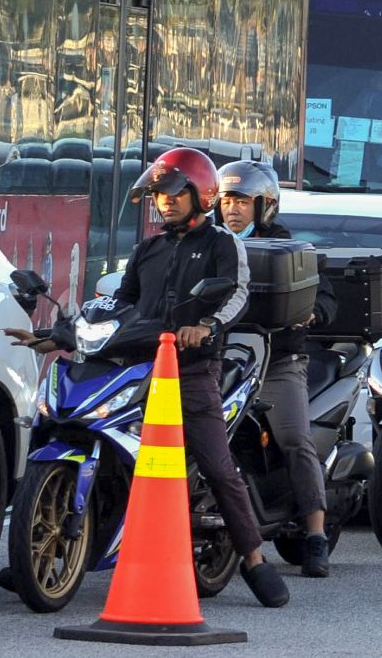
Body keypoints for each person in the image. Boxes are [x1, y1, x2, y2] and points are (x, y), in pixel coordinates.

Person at [121, 149, 290, 606]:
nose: (165, 201)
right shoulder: (148, 249)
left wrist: (207, 326)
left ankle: (254, 558)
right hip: (138, 368)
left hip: (193, 370)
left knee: (218, 466)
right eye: (158, 194)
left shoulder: (222, 243)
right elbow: (120, 304)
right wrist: (64, 331)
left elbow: (237, 295)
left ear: (201, 195)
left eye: (175, 193)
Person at [216, 160, 338, 578]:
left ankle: (316, 533)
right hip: (217, 361)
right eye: (226, 200)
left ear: (264, 205)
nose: (232, 209)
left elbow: (324, 298)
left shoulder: (288, 249)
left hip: (276, 361)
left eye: (242, 201)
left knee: (295, 439)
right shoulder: (209, 246)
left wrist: (310, 313)